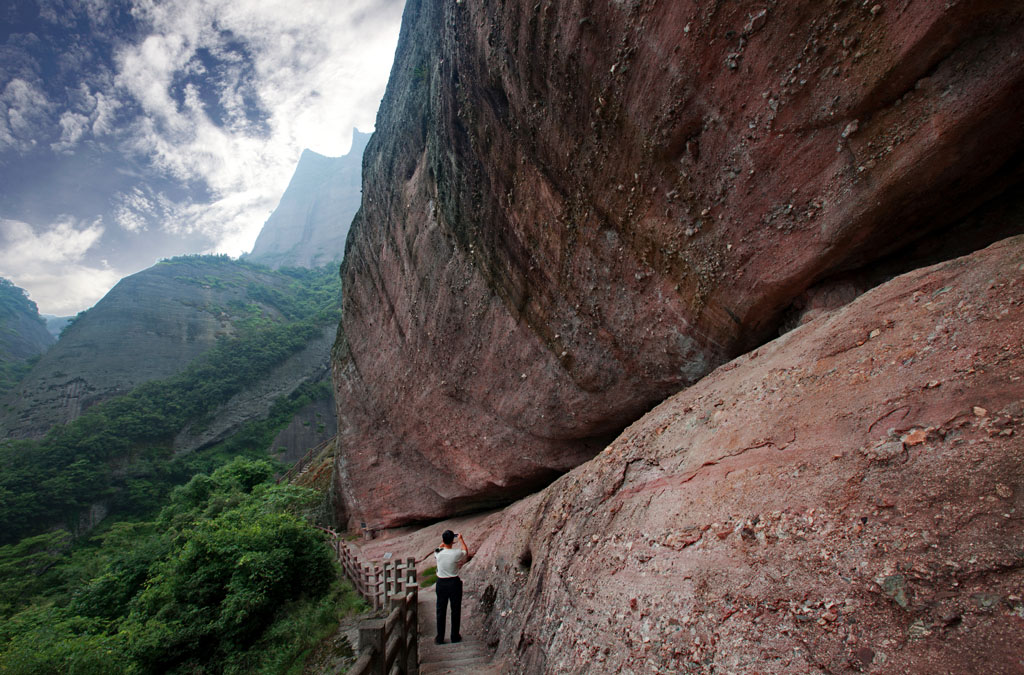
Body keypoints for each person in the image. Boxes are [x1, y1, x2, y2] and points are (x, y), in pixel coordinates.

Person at [433, 529, 470, 644]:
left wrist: (443, 542)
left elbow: (439, 547)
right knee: (455, 610)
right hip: (454, 583)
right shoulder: (456, 553)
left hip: (441, 583)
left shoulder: (438, 552)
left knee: (440, 610)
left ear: (443, 540)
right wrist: (461, 539)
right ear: (452, 541)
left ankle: (440, 638)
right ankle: (454, 636)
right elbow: (465, 551)